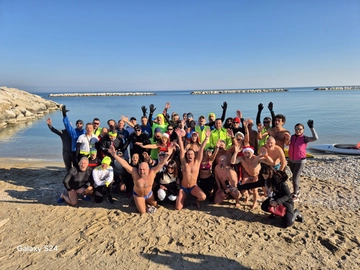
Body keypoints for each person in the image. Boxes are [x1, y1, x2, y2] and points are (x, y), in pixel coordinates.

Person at [108, 144, 174, 214]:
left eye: (144, 169)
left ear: (148, 169)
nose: (142, 171)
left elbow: (161, 164)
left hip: (149, 194)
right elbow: (125, 164)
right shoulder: (134, 172)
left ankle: (143, 203)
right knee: (143, 212)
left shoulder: (152, 172)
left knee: (155, 204)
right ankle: (138, 203)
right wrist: (114, 155)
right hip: (138, 196)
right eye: (140, 169)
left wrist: (168, 155)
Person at [237, 166, 303, 228]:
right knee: (264, 206)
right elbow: (253, 185)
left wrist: (277, 202)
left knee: (288, 223)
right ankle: (275, 213)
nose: (264, 175)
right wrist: (238, 188)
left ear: (270, 173)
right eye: (263, 174)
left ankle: (296, 212)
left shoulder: (280, 182)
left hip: (286, 202)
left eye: (266, 174)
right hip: (274, 199)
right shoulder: (265, 180)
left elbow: (288, 196)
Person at [175, 127, 210, 210]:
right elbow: (182, 150)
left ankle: (196, 200)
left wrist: (206, 138)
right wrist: (179, 137)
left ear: (194, 155)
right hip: (183, 188)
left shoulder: (197, 162)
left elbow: (201, 149)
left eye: (191, 154)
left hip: (193, 187)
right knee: (178, 207)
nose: (190, 156)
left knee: (203, 197)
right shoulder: (184, 163)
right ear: (186, 156)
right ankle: (184, 197)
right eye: (188, 154)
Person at [288, 120, 318, 201]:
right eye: (296, 129)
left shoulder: (305, 138)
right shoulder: (292, 137)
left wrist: (311, 128)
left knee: (294, 178)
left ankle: (295, 194)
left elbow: (315, 138)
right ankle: (297, 189)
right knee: (295, 178)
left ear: (303, 130)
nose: (298, 130)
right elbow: (287, 143)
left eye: (300, 129)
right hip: (291, 160)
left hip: (300, 161)